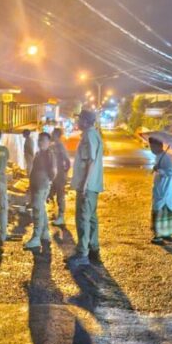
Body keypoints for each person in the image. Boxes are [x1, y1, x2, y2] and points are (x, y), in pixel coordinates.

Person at [67, 110, 104, 268]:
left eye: (80, 119)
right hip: (92, 185)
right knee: (91, 218)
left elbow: (91, 161)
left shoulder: (89, 135)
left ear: (86, 121)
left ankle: (82, 254)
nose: (78, 121)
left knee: (83, 218)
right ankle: (93, 249)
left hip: (87, 186)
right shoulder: (93, 134)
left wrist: (83, 184)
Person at [24, 132, 56, 250]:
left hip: (42, 186)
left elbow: (54, 171)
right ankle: (45, 233)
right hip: (36, 186)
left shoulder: (49, 154)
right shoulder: (39, 154)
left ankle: (36, 238)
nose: (40, 142)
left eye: (43, 140)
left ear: (49, 142)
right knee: (41, 209)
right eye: (39, 140)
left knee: (37, 210)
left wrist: (49, 182)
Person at [149, 137, 172, 244]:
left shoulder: (165, 157)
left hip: (165, 190)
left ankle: (159, 236)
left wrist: (160, 170)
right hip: (160, 188)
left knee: (160, 209)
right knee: (160, 209)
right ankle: (165, 233)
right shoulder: (159, 156)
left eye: (152, 146)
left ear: (158, 146)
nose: (150, 148)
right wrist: (156, 168)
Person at [49, 127, 71, 226]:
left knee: (60, 195)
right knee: (50, 194)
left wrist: (64, 173)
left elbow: (67, 161)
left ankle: (61, 216)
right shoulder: (53, 146)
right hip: (54, 175)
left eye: (53, 133)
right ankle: (55, 212)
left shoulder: (60, 146)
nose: (51, 135)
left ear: (56, 135)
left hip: (60, 175)